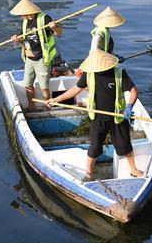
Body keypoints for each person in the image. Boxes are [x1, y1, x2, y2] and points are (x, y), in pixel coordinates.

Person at [46, 49, 144, 181]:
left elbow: (133, 91)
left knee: (124, 145)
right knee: (94, 147)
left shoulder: (119, 73)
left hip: (118, 117)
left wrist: (129, 106)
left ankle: (133, 170)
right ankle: (89, 174)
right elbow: (75, 89)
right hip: (98, 118)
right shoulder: (89, 74)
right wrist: (56, 100)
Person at [10, 0, 62, 111]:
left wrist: (55, 27)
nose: (20, 16)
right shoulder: (24, 22)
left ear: (28, 12)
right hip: (29, 59)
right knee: (28, 85)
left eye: (21, 14)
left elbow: (58, 34)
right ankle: (31, 106)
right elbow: (23, 40)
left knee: (44, 87)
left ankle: (47, 107)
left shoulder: (44, 19)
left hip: (42, 59)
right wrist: (17, 40)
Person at [75, 6, 126, 77]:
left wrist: (114, 57)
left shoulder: (106, 30)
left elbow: (105, 46)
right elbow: (93, 49)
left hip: (104, 59)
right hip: (98, 61)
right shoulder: (100, 33)